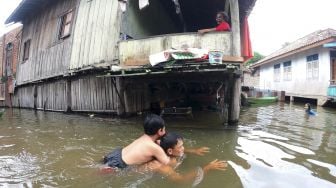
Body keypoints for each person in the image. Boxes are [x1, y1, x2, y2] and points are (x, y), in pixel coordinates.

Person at [139, 132, 227, 186]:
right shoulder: (162, 166)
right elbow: (180, 179)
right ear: (170, 151)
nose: (183, 148)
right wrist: (207, 168)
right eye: (180, 146)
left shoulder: (165, 150)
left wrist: (193, 151)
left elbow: (178, 151)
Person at [103, 114, 170, 169]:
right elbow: (167, 163)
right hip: (118, 164)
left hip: (115, 154)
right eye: (164, 129)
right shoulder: (155, 148)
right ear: (160, 131)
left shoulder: (143, 138)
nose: (165, 131)